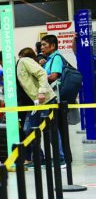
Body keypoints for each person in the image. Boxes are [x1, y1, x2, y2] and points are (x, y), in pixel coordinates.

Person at [16, 47, 56, 166]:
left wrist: (42, 91)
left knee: (49, 131)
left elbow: (41, 73)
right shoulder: (19, 65)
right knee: (30, 130)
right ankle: (39, 157)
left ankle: (61, 158)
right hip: (36, 103)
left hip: (45, 100)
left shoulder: (23, 61)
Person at [40, 34, 66, 163]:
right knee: (49, 129)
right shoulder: (49, 59)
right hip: (48, 99)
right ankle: (58, 156)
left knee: (52, 129)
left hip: (52, 99)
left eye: (44, 45)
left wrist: (39, 76)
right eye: (41, 45)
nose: (42, 47)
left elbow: (54, 76)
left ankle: (61, 157)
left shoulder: (56, 58)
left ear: (53, 46)